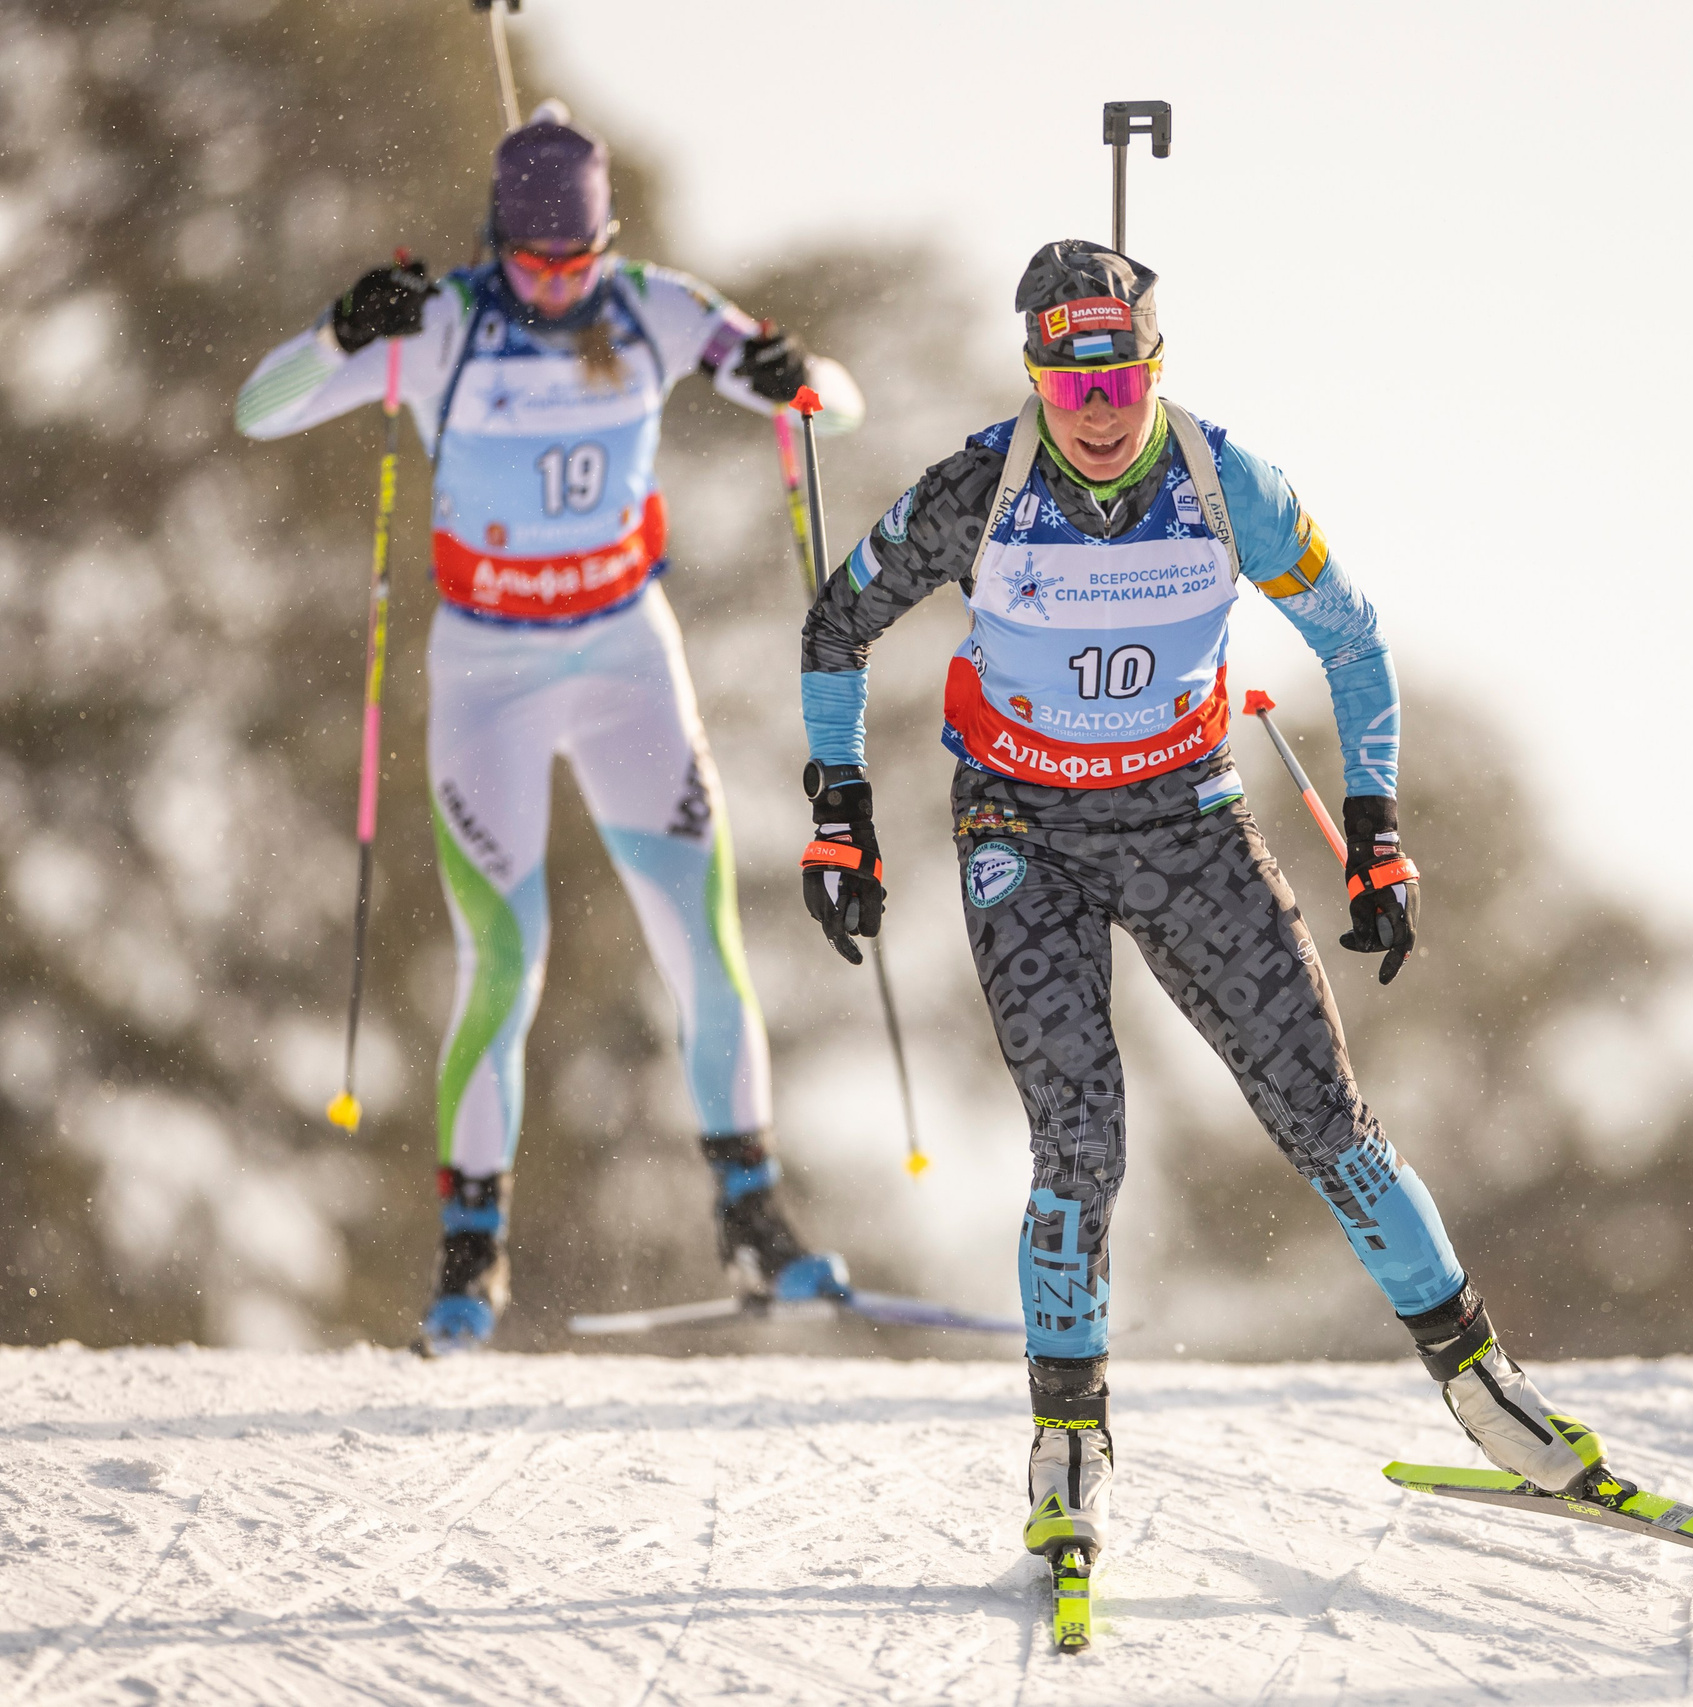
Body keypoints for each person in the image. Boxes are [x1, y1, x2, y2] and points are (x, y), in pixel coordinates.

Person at [796, 239, 1611, 1562]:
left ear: (1155, 366)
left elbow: (1353, 637)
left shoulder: (1231, 486)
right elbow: (837, 623)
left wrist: (1377, 828)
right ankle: (1068, 1443)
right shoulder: (974, 492)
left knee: (1323, 1117)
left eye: (1119, 376)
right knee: (1083, 1143)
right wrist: (840, 820)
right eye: (1070, 385)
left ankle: (1482, 1384)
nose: (1098, 408)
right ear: (1034, 380)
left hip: (1188, 823)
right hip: (1026, 833)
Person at [237, 102, 857, 1354]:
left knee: (703, 939)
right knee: (504, 957)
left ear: (606, 242)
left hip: (625, 657)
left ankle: (752, 1215)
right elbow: (261, 408)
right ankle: (471, 1260)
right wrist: (340, 329)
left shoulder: (656, 309)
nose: (555, 286)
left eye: (574, 263)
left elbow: (831, 407)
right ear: (494, 241)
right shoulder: (445, 324)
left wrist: (799, 379)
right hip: (490, 676)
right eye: (533, 263)